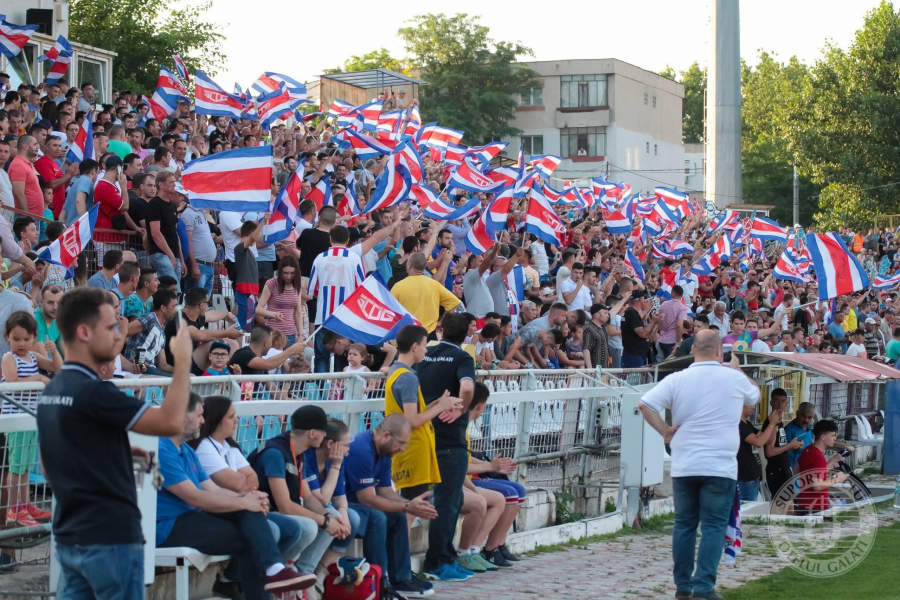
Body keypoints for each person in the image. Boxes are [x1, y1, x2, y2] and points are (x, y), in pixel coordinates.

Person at [37, 287, 194, 598]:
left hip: (71, 536)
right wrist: (184, 363)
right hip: (111, 537)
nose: (119, 334)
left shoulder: (52, 392)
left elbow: (49, 463)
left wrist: (118, 453)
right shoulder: (96, 391)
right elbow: (172, 422)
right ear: (83, 332)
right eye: (111, 327)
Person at [156, 394, 316, 599]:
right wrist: (244, 500)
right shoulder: (161, 449)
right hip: (168, 526)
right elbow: (195, 497)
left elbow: (212, 489)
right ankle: (273, 571)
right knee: (249, 535)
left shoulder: (185, 449)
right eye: (199, 415)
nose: (203, 421)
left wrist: (249, 501)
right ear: (180, 416)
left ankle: (275, 569)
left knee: (249, 512)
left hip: (190, 517)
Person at [638, 331, 759, 600]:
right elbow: (754, 397)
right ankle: (704, 587)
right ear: (720, 352)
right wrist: (737, 369)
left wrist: (665, 431)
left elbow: (645, 405)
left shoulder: (678, 378)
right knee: (713, 526)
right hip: (719, 465)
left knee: (684, 525)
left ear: (693, 351)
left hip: (685, 463)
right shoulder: (732, 377)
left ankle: (683, 586)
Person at [246, 406, 350, 588]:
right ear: (312, 433)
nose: (325, 435)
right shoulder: (275, 453)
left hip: (276, 512)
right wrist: (324, 522)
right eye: (323, 431)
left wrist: (329, 517)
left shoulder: (297, 452)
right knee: (309, 526)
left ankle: (297, 574)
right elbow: (285, 505)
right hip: (259, 514)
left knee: (332, 519)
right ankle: (273, 575)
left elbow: (307, 497)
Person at [343, 414, 438, 596]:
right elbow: (367, 499)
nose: (402, 449)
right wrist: (408, 506)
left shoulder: (385, 450)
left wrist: (412, 504)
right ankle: (379, 582)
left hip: (357, 505)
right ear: (386, 435)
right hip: (341, 505)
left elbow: (385, 491)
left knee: (397, 516)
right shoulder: (362, 450)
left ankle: (401, 579)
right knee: (378, 517)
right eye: (401, 443)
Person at [416, 313, 477, 581]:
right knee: (448, 501)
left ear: (439, 329)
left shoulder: (424, 354)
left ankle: (447, 555)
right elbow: (466, 386)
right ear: (466, 335)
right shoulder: (463, 357)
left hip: (423, 431)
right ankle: (438, 561)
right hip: (450, 438)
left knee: (450, 499)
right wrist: (461, 407)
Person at [384, 325, 461, 517]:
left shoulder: (395, 371)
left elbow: (412, 413)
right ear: (415, 346)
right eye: (425, 345)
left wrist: (437, 402)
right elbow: (412, 421)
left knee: (409, 508)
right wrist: (440, 408)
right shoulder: (408, 377)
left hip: (405, 447)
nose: (427, 350)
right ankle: (402, 548)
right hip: (412, 449)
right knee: (412, 510)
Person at [1, 311, 62, 526]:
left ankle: (26, 506)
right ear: (7, 336)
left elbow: (57, 367)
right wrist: (37, 377)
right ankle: (14, 510)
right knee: (16, 466)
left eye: (27, 339)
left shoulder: (33, 356)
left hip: (31, 418)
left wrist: (54, 351)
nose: (21, 343)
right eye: (16, 338)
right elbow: (12, 380)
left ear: (33, 338)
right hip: (15, 418)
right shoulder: (9, 358)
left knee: (25, 465)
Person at [465, 382, 522, 568]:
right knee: (508, 495)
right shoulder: (458, 427)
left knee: (518, 489)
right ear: (481, 406)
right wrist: (490, 466)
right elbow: (461, 466)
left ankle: (498, 544)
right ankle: (485, 549)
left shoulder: (462, 427)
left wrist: (494, 467)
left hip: (468, 478)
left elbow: (467, 458)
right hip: (463, 482)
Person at [308, 225, 365, 371]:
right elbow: (362, 288)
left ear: (330, 239)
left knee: (321, 358)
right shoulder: (354, 258)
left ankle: (322, 392)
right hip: (347, 317)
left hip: (323, 317)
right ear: (347, 240)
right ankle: (341, 391)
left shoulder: (320, 258)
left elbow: (313, 289)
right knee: (346, 358)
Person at [162, 287, 242, 374]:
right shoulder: (180, 318)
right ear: (201, 305)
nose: (208, 306)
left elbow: (211, 315)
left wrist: (227, 315)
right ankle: (226, 375)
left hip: (191, 359)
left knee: (232, 343)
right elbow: (201, 335)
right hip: (180, 365)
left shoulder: (194, 316)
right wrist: (227, 333)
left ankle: (230, 374)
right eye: (208, 303)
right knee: (211, 343)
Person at [391, 252, 461, 336]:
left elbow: (389, 311)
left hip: (406, 335)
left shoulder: (398, 286)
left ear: (409, 266)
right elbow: (454, 303)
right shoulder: (434, 284)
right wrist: (441, 322)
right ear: (424, 267)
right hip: (429, 334)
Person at [795, 420, 850, 514]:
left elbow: (797, 471)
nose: (835, 438)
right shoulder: (818, 456)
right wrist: (836, 479)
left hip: (805, 504)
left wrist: (833, 460)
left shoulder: (809, 450)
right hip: (816, 508)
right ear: (823, 437)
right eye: (832, 435)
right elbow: (817, 485)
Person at [124, 289, 179, 375]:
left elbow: (162, 364)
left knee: (184, 379)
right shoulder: (150, 318)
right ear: (163, 308)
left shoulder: (162, 333)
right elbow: (123, 331)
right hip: (138, 367)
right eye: (173, 306)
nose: (175, 310)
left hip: (150, 369)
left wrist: (182, 371)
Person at [762, 388, 804, 499]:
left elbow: (779, 446)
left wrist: (794, 445)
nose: (780, 404)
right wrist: (790, 445)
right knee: (782, 508)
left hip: (784, 469)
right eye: (776, 400)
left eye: (783, 401)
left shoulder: (779, 422)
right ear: (771, 403)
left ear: (786, 403)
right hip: (776, 471)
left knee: (790, 507)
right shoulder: (771, 423)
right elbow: (769, 452)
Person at [736, 402, 781, 502]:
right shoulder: (738, 425)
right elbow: (759, 442)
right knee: (746, 513)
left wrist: (775, 424)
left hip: (751, 479)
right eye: (750, 404)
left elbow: (767, 440)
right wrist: (771, 424)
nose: (753, 407)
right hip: (744, 480)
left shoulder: (747, 424)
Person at [257, 255, 305, 346]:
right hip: (273, 333)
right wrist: (273, 314)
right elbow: (258, 309)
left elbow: (298, 312)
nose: (289, 276)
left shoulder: (297, 286)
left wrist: (300, 335)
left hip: (290, 334)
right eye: (285, 273)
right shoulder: (271, 283)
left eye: (292, 273)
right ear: (280, 272)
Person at [234, 215, 270, 330]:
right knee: (244, 324)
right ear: (251, 234)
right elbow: (253, 239)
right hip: (244, 291)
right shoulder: (239, 248)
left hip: (251, 293)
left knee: (249, 324)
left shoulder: (249, 251)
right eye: (257, 235)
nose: (258, 239)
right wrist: (263, 222)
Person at [229, 324, 307, 376]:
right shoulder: (244, 354)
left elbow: (271, 387)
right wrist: (291, 350)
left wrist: (289, 400)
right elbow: (267, 364)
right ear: (266, 343)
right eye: (271, 342)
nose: (271, 346)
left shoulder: (260, 360)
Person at [621, 291, 661, 368]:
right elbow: (642, 334)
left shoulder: (632, 313)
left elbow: (648, 337)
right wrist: (653, 322)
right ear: (641, 299)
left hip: (639, 354)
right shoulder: (631, 312)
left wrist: (656, 324)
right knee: (634, 379)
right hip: (633, 355)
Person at [658, 285, 688, 357]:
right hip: (672, 341)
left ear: (672, 293)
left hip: (662, 340)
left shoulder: (663, 305)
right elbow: (679, 325)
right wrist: (677, 342)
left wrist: (662, 331)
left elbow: (659, 322)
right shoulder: (682, 308)